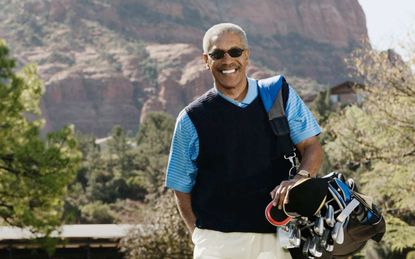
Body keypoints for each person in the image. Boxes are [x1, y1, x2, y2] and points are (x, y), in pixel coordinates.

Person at [165, 23, 323, 259]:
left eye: (235, 52)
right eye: (218, 54)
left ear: (246, 55)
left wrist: (299, 179)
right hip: (217, 242)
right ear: (206, 60)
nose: (227, 60)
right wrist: (199, 236)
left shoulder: (280, 95)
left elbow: (312, 147)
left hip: (277, 238)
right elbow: (180, 188)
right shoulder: (191, 118)